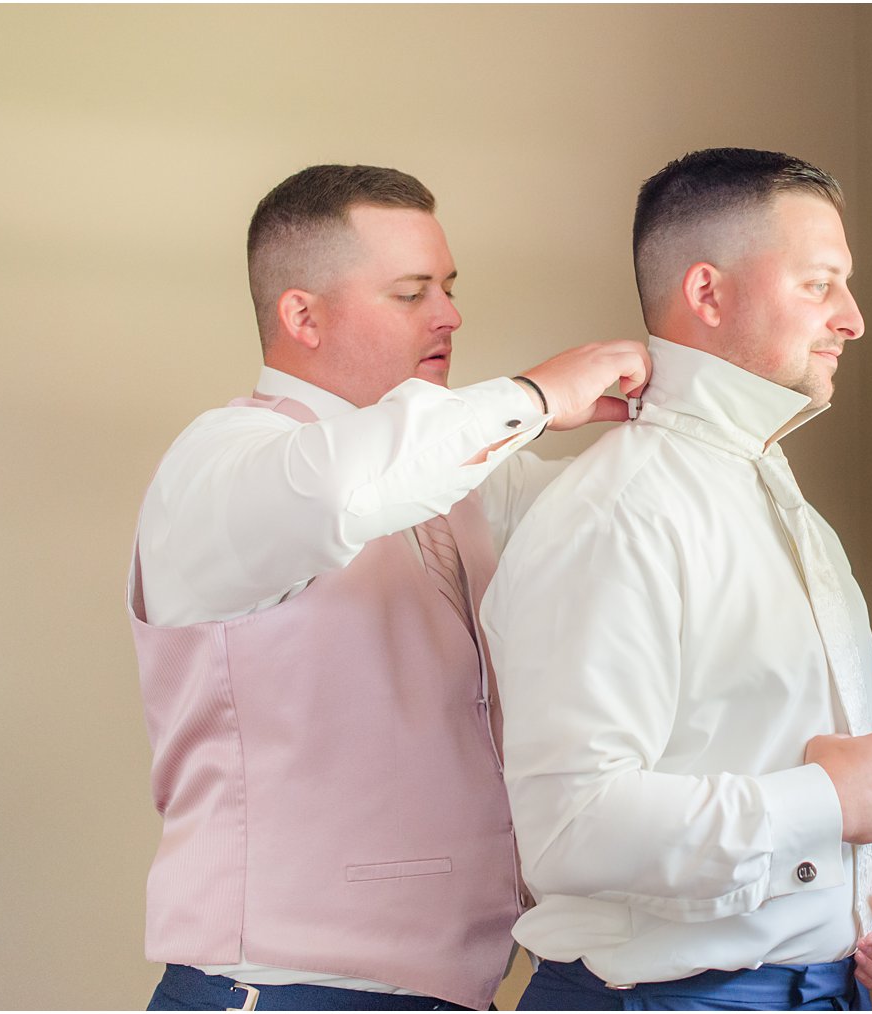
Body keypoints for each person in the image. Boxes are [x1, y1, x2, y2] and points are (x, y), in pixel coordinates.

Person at [128, 163, 650, 1011]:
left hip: (458, 992)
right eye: (411, 294)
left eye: (448, 288)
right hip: (282, 991)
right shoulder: (220, 464)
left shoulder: (472, 480)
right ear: (302, 315)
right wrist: (534, 395)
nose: (449, 315)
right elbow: (340, 489)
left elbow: (613, 536)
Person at [482, 147, 872, 1011]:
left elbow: (790, 755)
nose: (852, 318)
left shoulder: (786, 511)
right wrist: (824, 800)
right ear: (708, 293)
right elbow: (570, 828)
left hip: (823, 988)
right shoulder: (618, 514)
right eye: (819, 284)